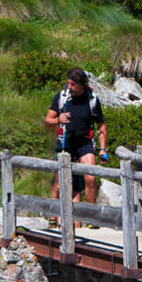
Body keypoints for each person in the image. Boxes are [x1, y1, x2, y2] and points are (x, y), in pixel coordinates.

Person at [44, 68, 108, 210]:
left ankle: (92, 217)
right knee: (59, 185)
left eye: (73, 85)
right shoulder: (61, 97)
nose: (69, 87)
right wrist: (58, 120)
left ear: (83, 85)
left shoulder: (92, 100)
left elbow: (101, 125)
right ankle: (53, 217)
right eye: (68, 84)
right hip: (65, 143)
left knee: (91, 178)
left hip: (84, 143)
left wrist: (103, 148)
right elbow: (47, 121)